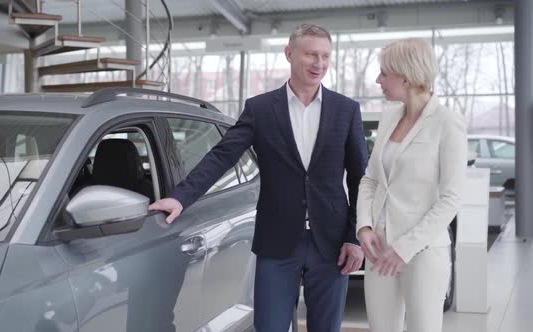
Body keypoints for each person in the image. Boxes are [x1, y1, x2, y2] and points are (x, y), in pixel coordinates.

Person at [149, 23, 367, 332]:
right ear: (289, 54)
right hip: (277, 243)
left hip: (332, 245)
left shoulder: (346, 110)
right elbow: (222, 155)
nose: (319, 64)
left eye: (325, 56)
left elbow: (361, 179)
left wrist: (354, 237)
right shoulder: (261, 109)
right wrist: (180, 197)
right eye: (311, 55)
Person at [356, 38, 467, 332]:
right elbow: (370, 179)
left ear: (404, 76)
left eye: (383, 73)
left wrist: (404, 248)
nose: (378, 80)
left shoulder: (448, 123)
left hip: (423, 252)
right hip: (378, 247)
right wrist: (364, 226)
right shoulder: (390, 117)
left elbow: (451, 198)